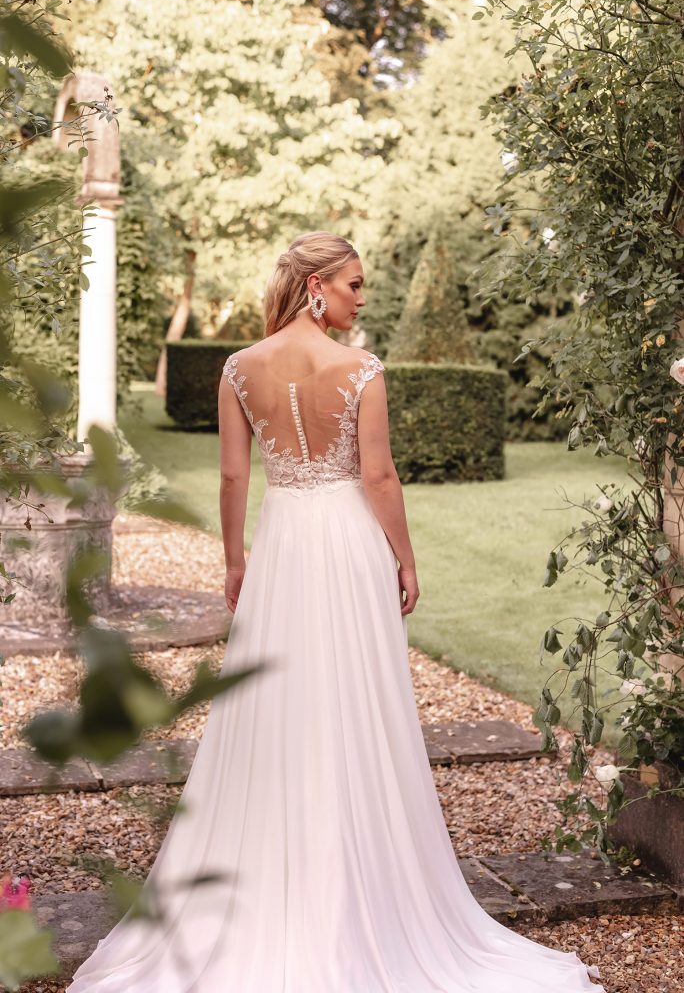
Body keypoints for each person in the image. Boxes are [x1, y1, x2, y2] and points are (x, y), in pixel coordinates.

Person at [66, 231, 605, 991]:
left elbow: (230, 476)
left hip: (283, 543)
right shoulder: (360, 370)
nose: (361, 298)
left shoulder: (237, 368)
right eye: (353, 285)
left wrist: (232, 560)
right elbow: (378, 475)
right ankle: (358, 884)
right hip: (347, 544)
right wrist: (407, 558)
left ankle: (274, 874)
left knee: (277, 703)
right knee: (356, 702)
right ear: (317, 286)